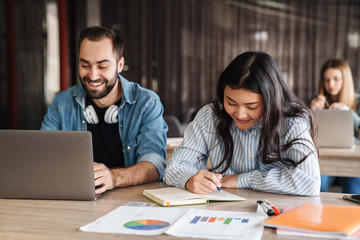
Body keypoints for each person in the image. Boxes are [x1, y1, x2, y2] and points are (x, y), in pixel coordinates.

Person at [164, 51, 320, 196]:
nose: (240, 114)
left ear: (270, 101)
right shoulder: (210, 116)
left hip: (277, 212)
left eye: (252, 107)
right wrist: (189, 180)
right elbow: (173, 168)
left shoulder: (292, 121)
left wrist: (241, 180)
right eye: (230, 102)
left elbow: (309, 182)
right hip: (225, 209)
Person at [41, 26, 168, 194]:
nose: (93, 76)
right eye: (85, 65)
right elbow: (43, 155)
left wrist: (115, 177)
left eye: (102, 67)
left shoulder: (146, 103)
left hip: (129, 199)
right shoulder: (62, 103)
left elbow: (154, 164)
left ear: (120, 64)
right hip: (76, 198)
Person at [310, 59, 360, 194]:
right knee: (317, 184)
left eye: (336, 79)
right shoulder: (318, 102)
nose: (330, 85)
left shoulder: (358, 102)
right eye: (326, 80)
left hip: (352, 161)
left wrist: (349, 114)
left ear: (345, 80)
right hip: (326, 159)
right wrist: (311, 113)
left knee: (354, 189)